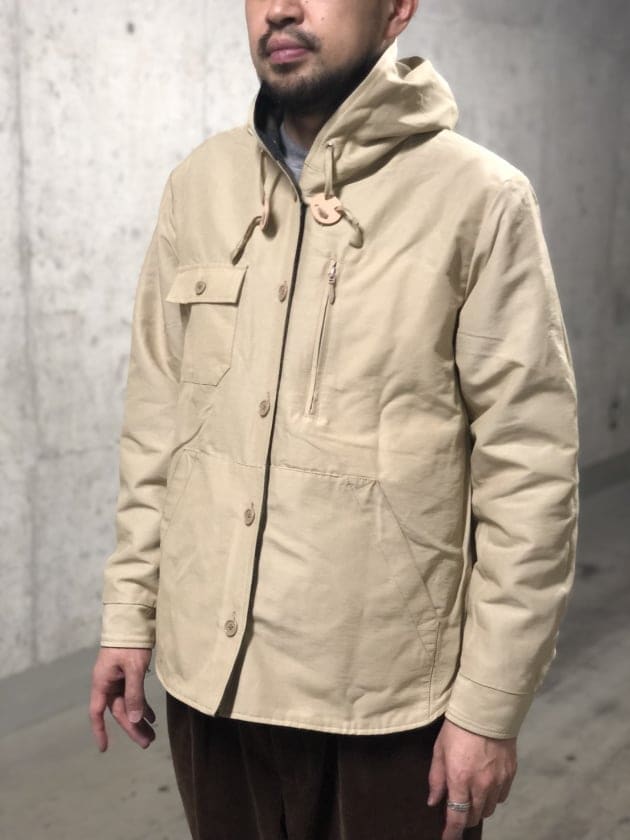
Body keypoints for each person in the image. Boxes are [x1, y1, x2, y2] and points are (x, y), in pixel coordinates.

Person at [89, 1, 579, 838]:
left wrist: (490, 705)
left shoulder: (480, 200)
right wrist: (130, 615)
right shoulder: (200, 187)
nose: (280, 8)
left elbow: (528, 472)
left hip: (387, 706)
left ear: (396, 10)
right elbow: (158, 427)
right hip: (211, 687)